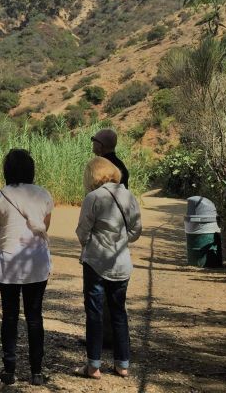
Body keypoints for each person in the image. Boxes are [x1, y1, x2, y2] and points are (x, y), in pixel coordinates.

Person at [0, 149, 53, 387]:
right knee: (34, 317)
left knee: (10, 315)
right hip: (36, 261)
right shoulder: (43, 194)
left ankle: (9, 369)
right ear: (31, 170)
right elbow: (45, 227)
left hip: (9, 262)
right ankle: (36, 371)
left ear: (7, 171)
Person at [75, 156, 142, 379]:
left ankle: (93, 366)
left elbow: (82, 231)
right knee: (119, 312)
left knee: (94, 313)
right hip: (122, 262)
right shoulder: (128, 195)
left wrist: (91, 243)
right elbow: (136, 230)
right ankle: (122, 364)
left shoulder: (93, 197)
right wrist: (120, 240)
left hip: (96, 262)